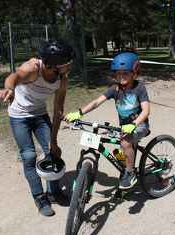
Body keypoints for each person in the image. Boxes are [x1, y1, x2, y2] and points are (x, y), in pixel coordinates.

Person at [0, 40, 74, 216]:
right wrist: (8, 88)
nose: (70, 65)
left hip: (39, 115)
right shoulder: (33, 68)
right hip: (19, 116)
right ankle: (40, 198)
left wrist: (53, 141)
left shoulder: (62, 79)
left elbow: (58, 110)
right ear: (56, 65)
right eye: (68, 62)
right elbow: (14, 77)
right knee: (29, 156)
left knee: (52, 153)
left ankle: (53, 192)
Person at [64, 52, 150, 190]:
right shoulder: (114, 89)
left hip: (140, 125)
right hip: (124, 127)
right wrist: (79, 113)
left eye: (125, 73)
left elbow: (146, 111)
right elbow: (97, 102)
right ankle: (128, 165)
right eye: (118, 73)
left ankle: (130, 173)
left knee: (125, 142)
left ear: (134, 73)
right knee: (120, 151)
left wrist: (134, 124)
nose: (121, 77)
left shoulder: (139, 88)